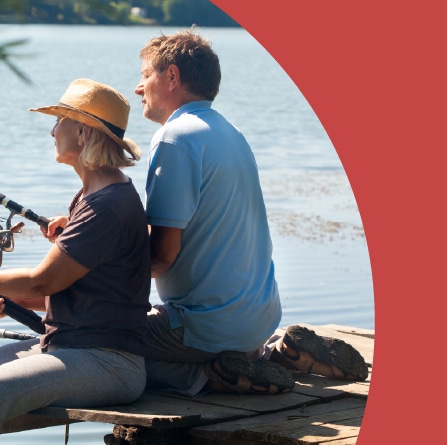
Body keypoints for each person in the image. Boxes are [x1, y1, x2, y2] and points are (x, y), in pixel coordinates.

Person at [134, 29, 368, 396]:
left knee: (103, 339)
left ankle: (214, 375)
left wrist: (95, 270)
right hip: (258, 318)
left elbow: (161, 256)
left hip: (206, 328)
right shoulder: (230, 133)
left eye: (145, 75)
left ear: (172, 77)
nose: (138, 88)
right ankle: (276, 356)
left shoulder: (174, 138)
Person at [0, 78, 151, 444]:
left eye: (59, 122)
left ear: (82, 133)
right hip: (67, 348)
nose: (52, 131)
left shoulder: (106, 206)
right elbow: (65, 292)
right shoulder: (90, 196)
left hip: (108, 363)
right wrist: (11, 301)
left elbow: (43, 281)